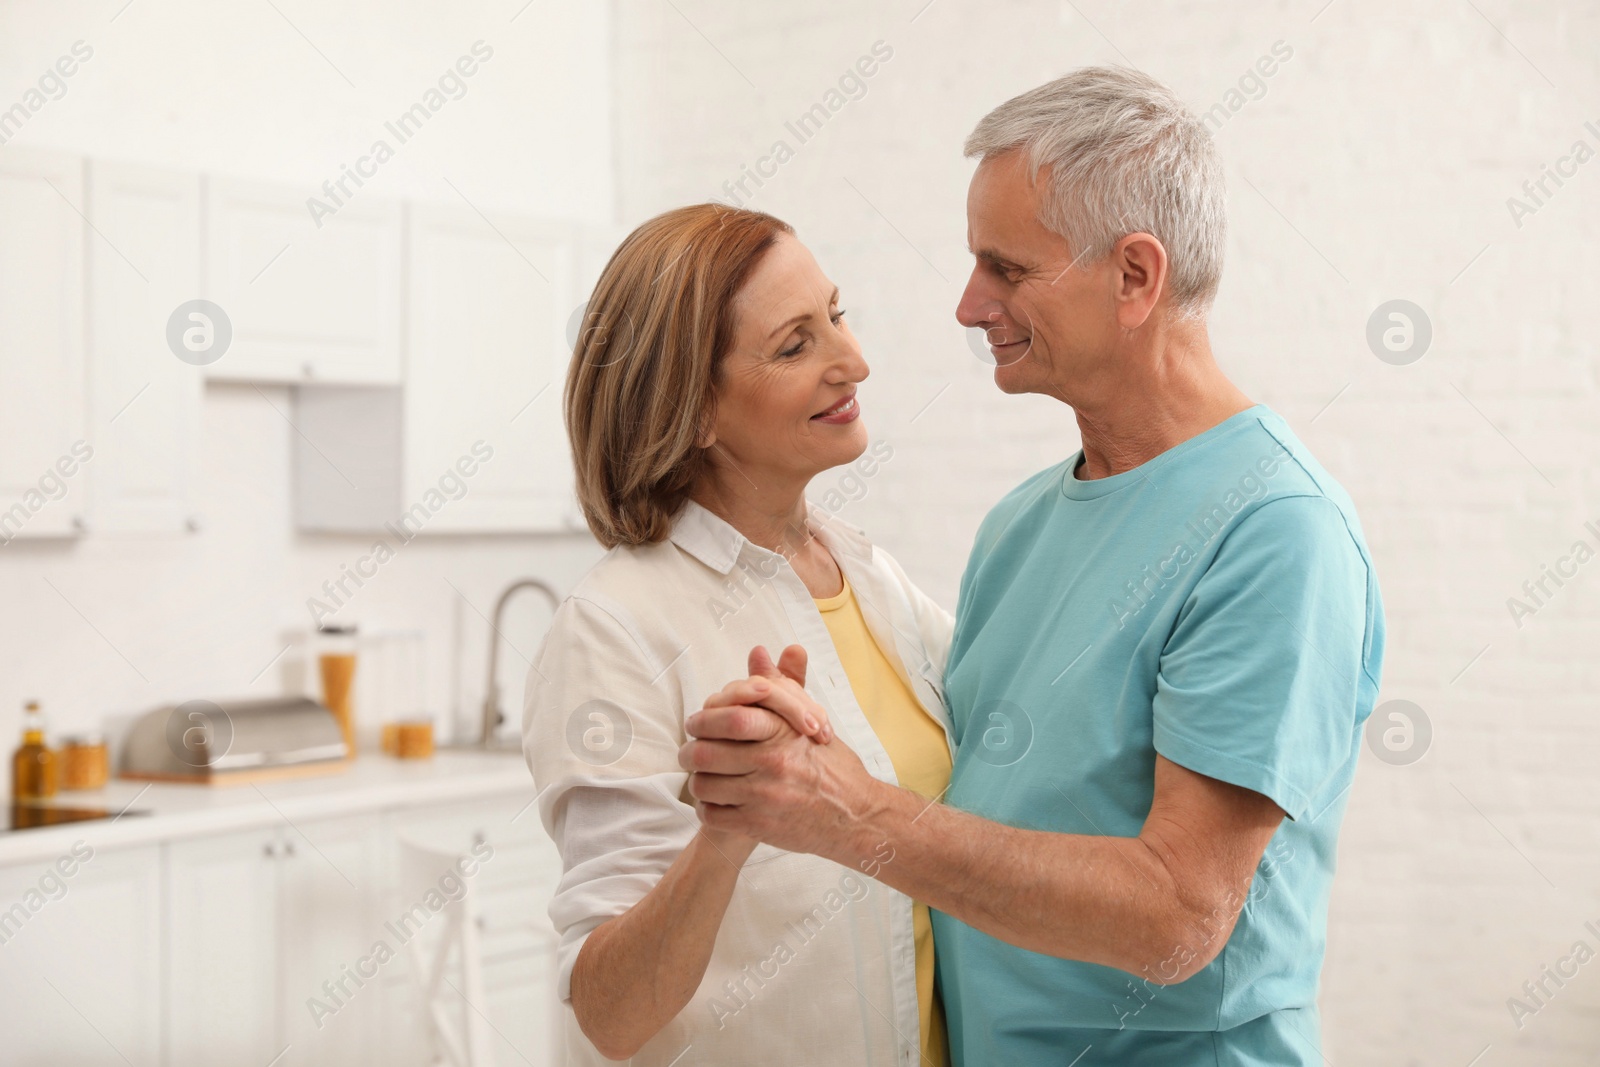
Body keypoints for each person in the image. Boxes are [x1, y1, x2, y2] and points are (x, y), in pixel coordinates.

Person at [682, 66, 1386, 1065]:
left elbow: (1175, 915)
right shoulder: (1017, 525)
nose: (970, 306)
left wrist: (853, 814)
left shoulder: (1276, 531)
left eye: (1005, 268)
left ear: (1136, 276)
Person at [522, 203, 955, 1065]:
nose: (854, 361)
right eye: (795, 345)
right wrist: (726, 831)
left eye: (836, 316)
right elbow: (609, 1014)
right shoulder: (616, 627)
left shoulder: (873, 578)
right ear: (694, 411)